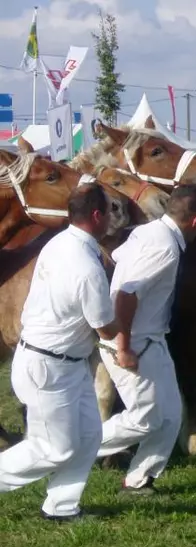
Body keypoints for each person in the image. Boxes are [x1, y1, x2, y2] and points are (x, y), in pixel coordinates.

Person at [0, 182, 119, 522]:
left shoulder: (59, 243)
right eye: (110, 211)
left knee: (89, 435)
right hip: (49, 365)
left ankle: (62, 507)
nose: (112, 218)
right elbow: (106, 329)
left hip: (61, 361)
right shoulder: (87, 267)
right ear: (96, 216)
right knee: (54, 448)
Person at [96, 186, 196, 495]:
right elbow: (126, 294)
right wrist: (124, 345)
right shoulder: (165, 247)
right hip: (135, 344)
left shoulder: (149, 232)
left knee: (170, 415)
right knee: (145, 419)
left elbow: (118, 258)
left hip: (151, 341)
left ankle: (139, 480)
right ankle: (72, 449)